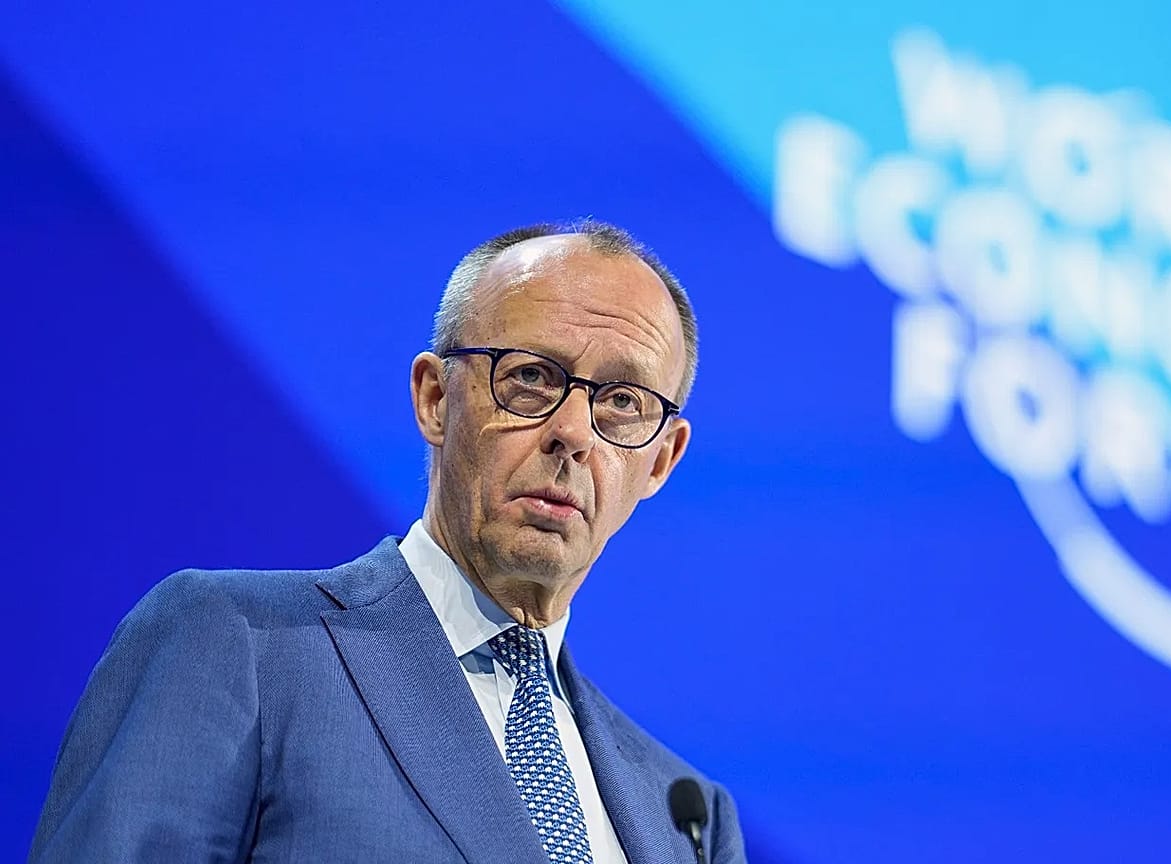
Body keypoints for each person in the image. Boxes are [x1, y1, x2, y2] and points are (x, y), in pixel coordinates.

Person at [30, 221, 746, 864]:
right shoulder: (240, 644)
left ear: (660, 459)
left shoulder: (685, 815)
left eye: (622, 402)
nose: (574, 433)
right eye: (531, 378)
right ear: (436, 398)